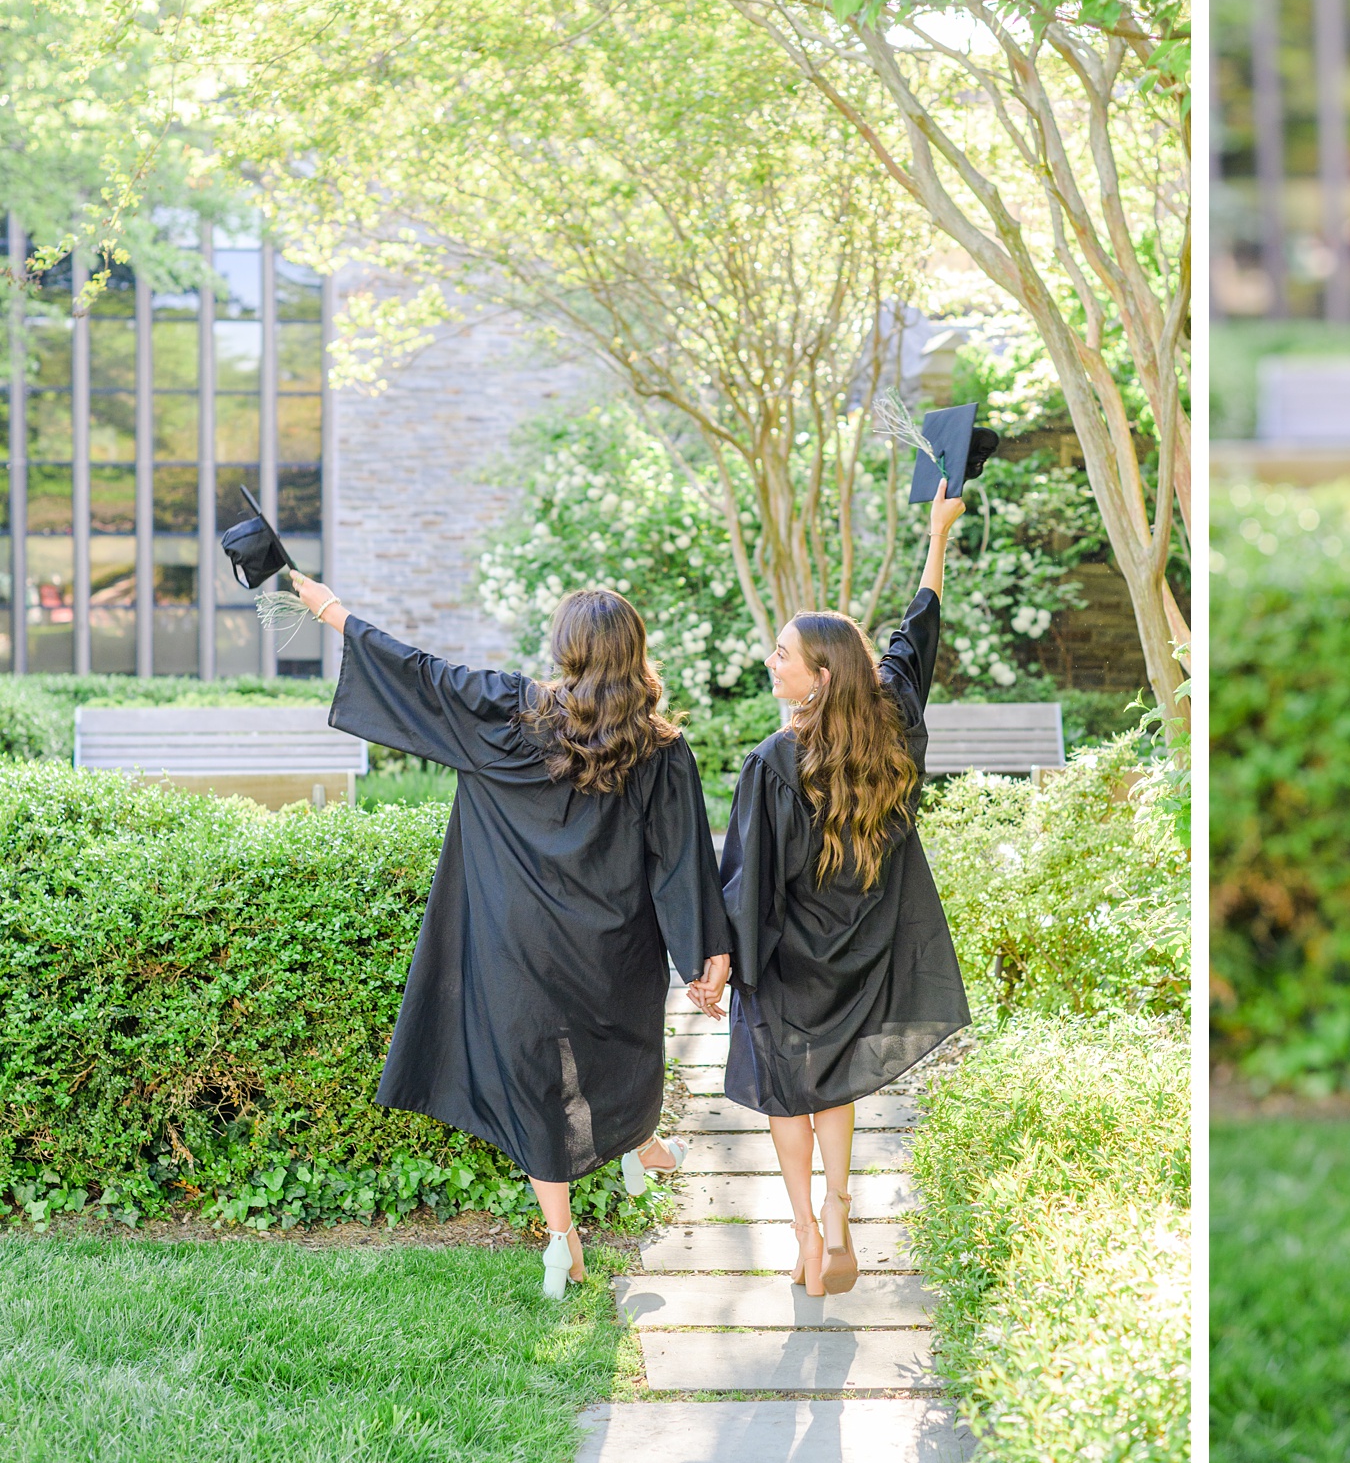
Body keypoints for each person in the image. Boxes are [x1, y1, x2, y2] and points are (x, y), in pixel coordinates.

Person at [292, 575, 731, 1299]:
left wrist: (327, 607)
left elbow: (419, 672)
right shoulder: (658, 747)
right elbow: (681, 858)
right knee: (623, 1047)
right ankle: (638, 1149)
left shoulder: (508, 713)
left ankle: (563, 1239)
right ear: (634, 652)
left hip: (516, 942)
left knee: (533, 1078)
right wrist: (704, 955)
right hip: (612, 943)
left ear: (567, 649)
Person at [692, 480, 975, 1294]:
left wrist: (720, 964)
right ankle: (843, 1212)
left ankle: (808, 1235)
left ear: (817, 677)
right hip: (863, 954)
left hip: (787, 960)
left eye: (782, 654)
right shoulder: (893, 730)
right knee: (839, 1084)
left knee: (791, 1089)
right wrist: (937, 536)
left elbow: (746, 883)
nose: (770, 661)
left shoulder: (772, 764)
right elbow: (913, 639)